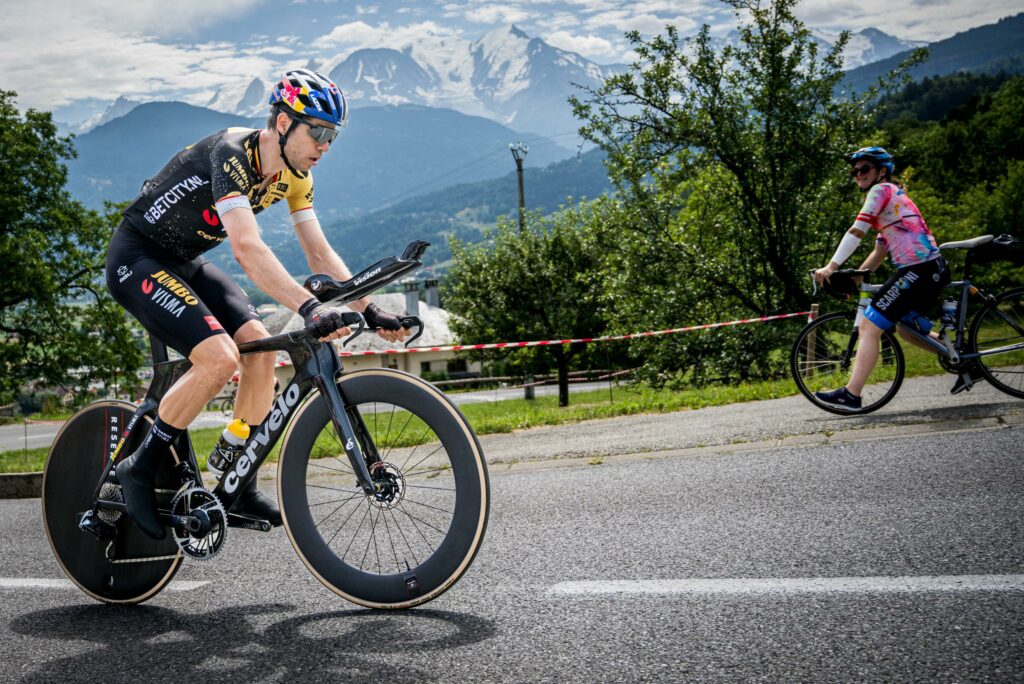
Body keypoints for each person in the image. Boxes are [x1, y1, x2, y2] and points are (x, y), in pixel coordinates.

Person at [105, 68, 409, 539]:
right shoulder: (232, 155)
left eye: (334, 135)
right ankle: (140, 468)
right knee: (219, 358)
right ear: (284, 123)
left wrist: (371, 308)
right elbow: (247, 249)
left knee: (262, 349)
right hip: (138, 258)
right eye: (320, 131)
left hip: (184, 260)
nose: (326, 145)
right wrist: (310, 308)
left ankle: (237, 475)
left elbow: (319, 252)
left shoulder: (295, 175)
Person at [812, 146, 951, 412]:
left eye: (865, 169)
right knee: (903, 328)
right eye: (855, 171)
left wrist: (831, 266)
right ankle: (956, 355)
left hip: (918, 269)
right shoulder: (894, 197)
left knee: (869, 325)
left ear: (882, 171)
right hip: (928, 269)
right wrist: (855, 278)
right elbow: (879, 251)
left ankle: (851, 395)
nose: (859, 174)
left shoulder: (881, 191)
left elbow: (856, 231)